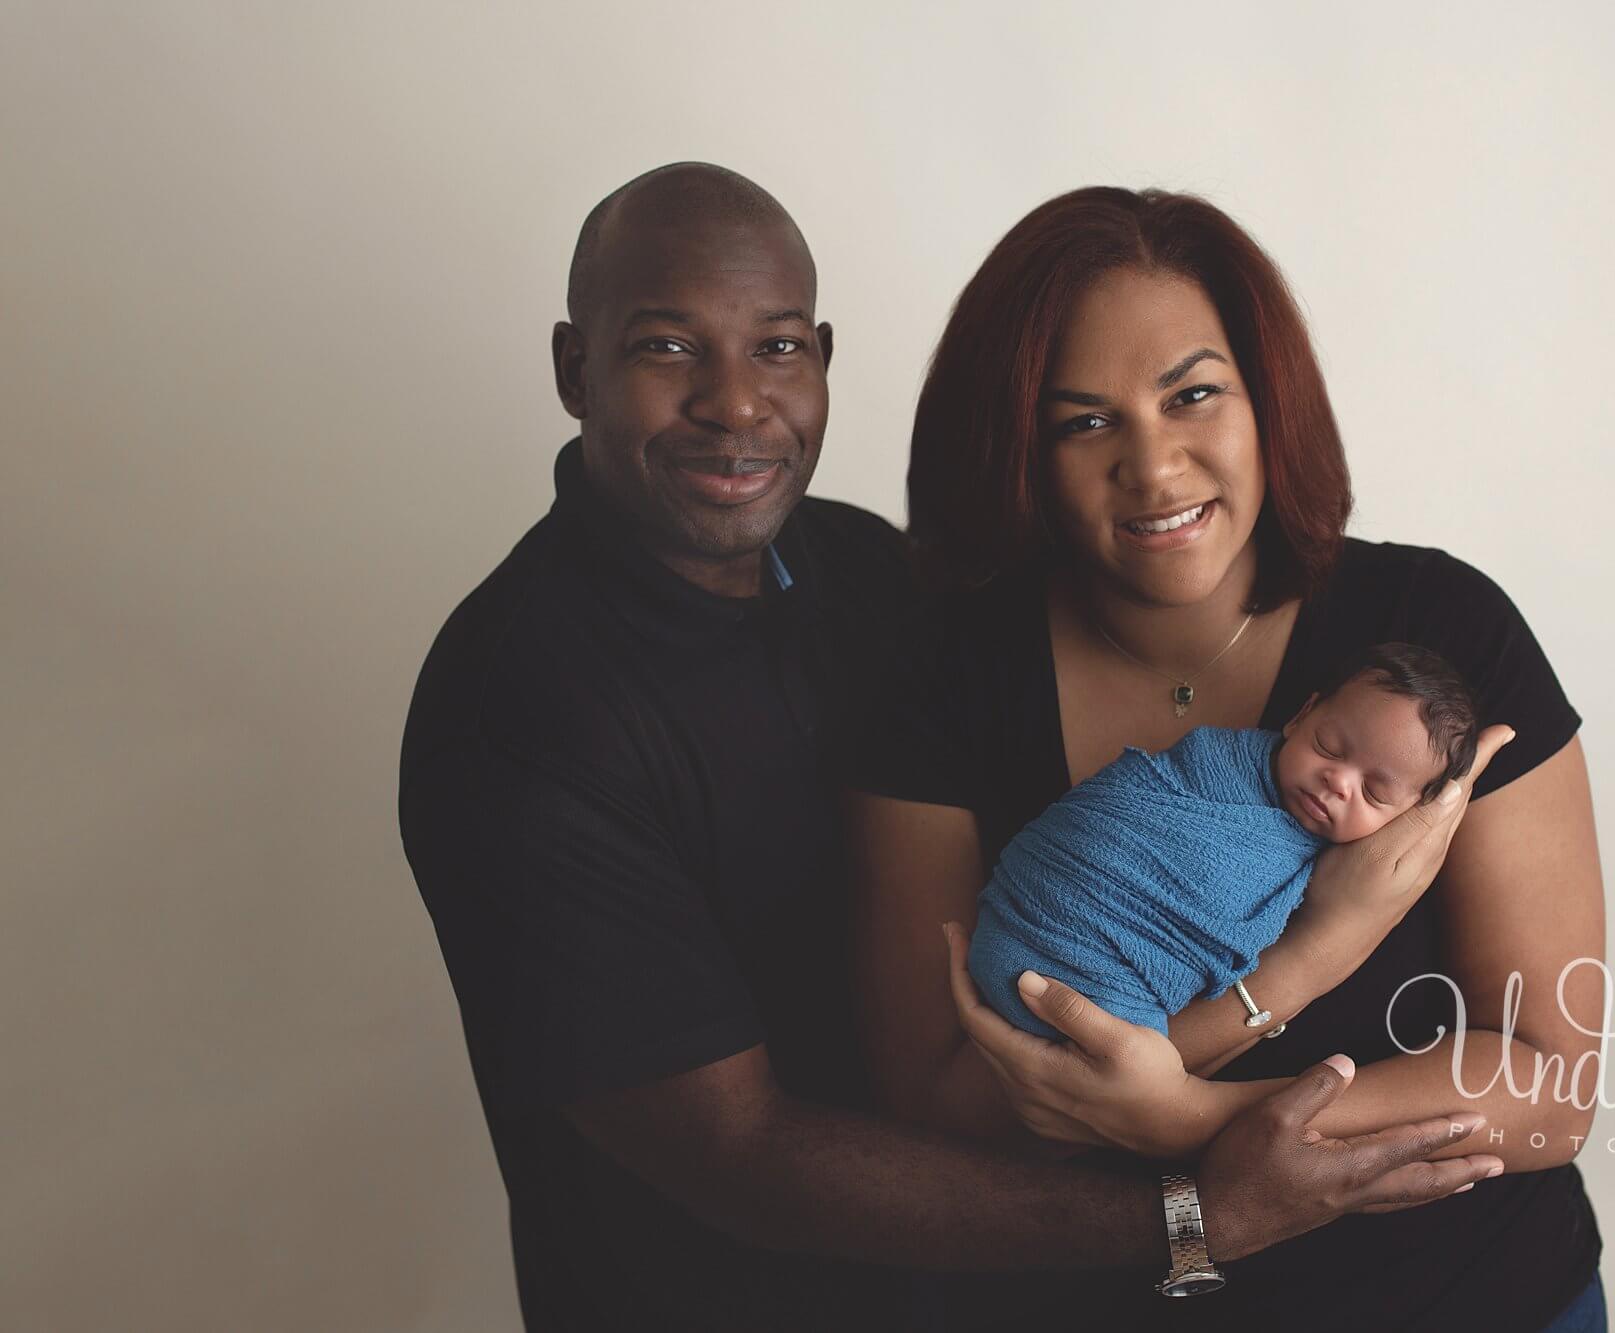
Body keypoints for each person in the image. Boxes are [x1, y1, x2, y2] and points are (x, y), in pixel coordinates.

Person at [397, 163, 1508, 1330]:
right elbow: (736, 1147)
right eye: (667, 348)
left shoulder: (871, 577)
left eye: (776, 348)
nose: (735, 403)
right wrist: (1189, 1212)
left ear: (820, 356)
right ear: (577, 367)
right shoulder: (519, 711)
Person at [846, 186, 1610, 1330]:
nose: (1153, 471)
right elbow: (935, 1100)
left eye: (1192, 394)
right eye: (1083, 421)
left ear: (1268, 401)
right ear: (1020, 446)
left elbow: (1549, 1090)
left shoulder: (1439, 636)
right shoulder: (938, 673)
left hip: (1477, 1300)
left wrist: (1188, 1120)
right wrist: (1304, 961)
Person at [969, 642, 1478, 1039]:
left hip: (1096, 996)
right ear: (1302, 717)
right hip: (1025, 918)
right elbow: (1114, 825)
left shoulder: (1346, 868)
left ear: (1410, 816)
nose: (1338, 782)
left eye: (1374, 791)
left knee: (1127, 1058)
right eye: (1328, 746)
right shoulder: (1211, 762)